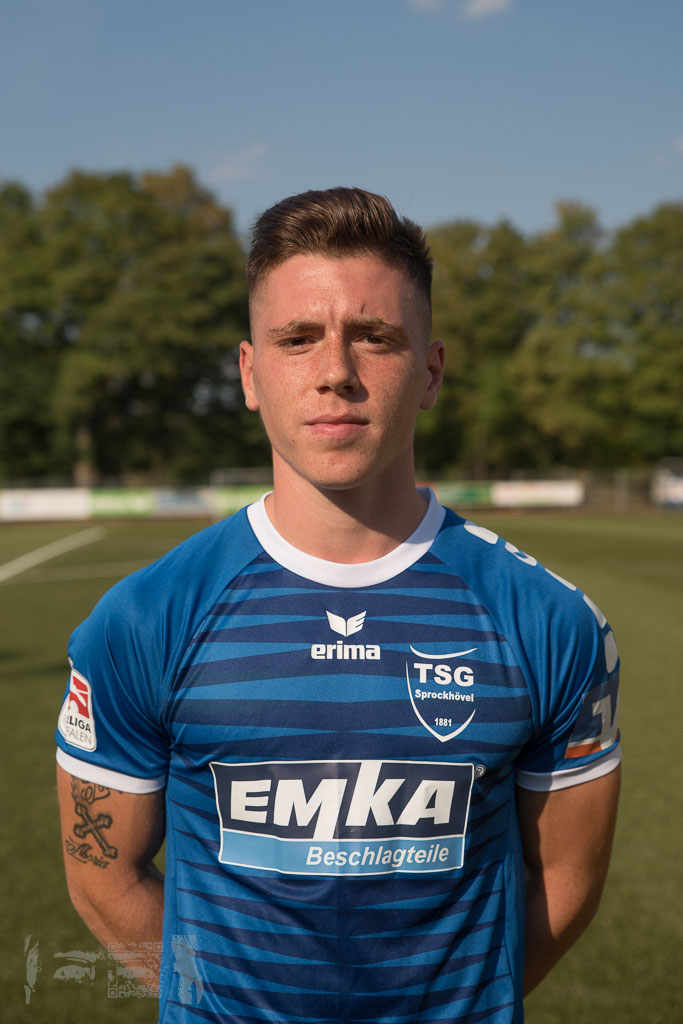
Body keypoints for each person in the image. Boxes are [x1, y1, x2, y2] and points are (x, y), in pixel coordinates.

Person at [56, 187, 621, 1023]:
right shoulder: (142, 620)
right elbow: (103, 877)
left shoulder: (548, 622)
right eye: (297, 339)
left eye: (375, 337)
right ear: (250, 374)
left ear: (430, 373)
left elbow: (565, 882)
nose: (335, 373)